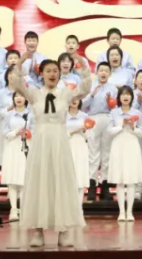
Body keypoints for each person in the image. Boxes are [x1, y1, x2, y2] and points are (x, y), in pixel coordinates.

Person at [9, 54, 92, 248]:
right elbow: (17, 83)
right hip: (41, 142)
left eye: (55, 71)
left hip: (60, 141)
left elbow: (85, 88)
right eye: (48, 71)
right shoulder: (35, 93)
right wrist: (21, 61)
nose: (52, 74)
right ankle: (38, 230)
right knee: (40, 182)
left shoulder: (65, 93)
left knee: (61, 182)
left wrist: (83, 65)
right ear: (42, 74)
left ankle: (63, 231)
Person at [106, 86, 142, 222]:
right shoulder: (114, 113)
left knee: (131, 180)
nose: (125, 97)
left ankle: (130, 212)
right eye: (123, 94)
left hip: (132, 146)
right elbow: (109, 131)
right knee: (120, 181)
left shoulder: (137, 113)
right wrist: (121, 126)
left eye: (128, 94)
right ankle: (121, 212)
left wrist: (133, 127)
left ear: (132, 97)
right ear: (119, 97)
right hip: (118, 146)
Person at [84, 61, 118, 201]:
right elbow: (82, 106)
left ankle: (105, 186)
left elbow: (115, 108)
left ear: (110, 73)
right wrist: (92, 95)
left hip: (108, 118)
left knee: (106, 154)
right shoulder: (89, 86)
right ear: (96, 72)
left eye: (106, 71)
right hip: (92, 119)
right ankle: (92, 186)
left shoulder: (113, 89)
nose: (103, 73)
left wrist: (111, 103)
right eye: (101, 70)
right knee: (93, 154)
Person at [1, 91, 33, 221]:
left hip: (26, 148)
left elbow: (36, 131)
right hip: (12, 147)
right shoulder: (9, 115)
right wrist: (16, 132)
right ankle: (13, 209)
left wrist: (29, 134)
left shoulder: (31, 115)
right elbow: (5, 133)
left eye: (21, 96)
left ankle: (24, 209)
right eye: (16, 96)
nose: (19, 98)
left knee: (24, 179)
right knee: (12, 179)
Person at [65, 98, 91, 207]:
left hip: (81, 147)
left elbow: (89, 136)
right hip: (67, 147)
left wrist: (84, 131)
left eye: (77, 98)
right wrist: (74, 131)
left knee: (80, 177)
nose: (74, 101)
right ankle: (67, 208)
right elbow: (60, 134)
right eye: (72, 98)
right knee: (67, 178)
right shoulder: (62, 116)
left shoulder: (85, 116)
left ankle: (79, 209)